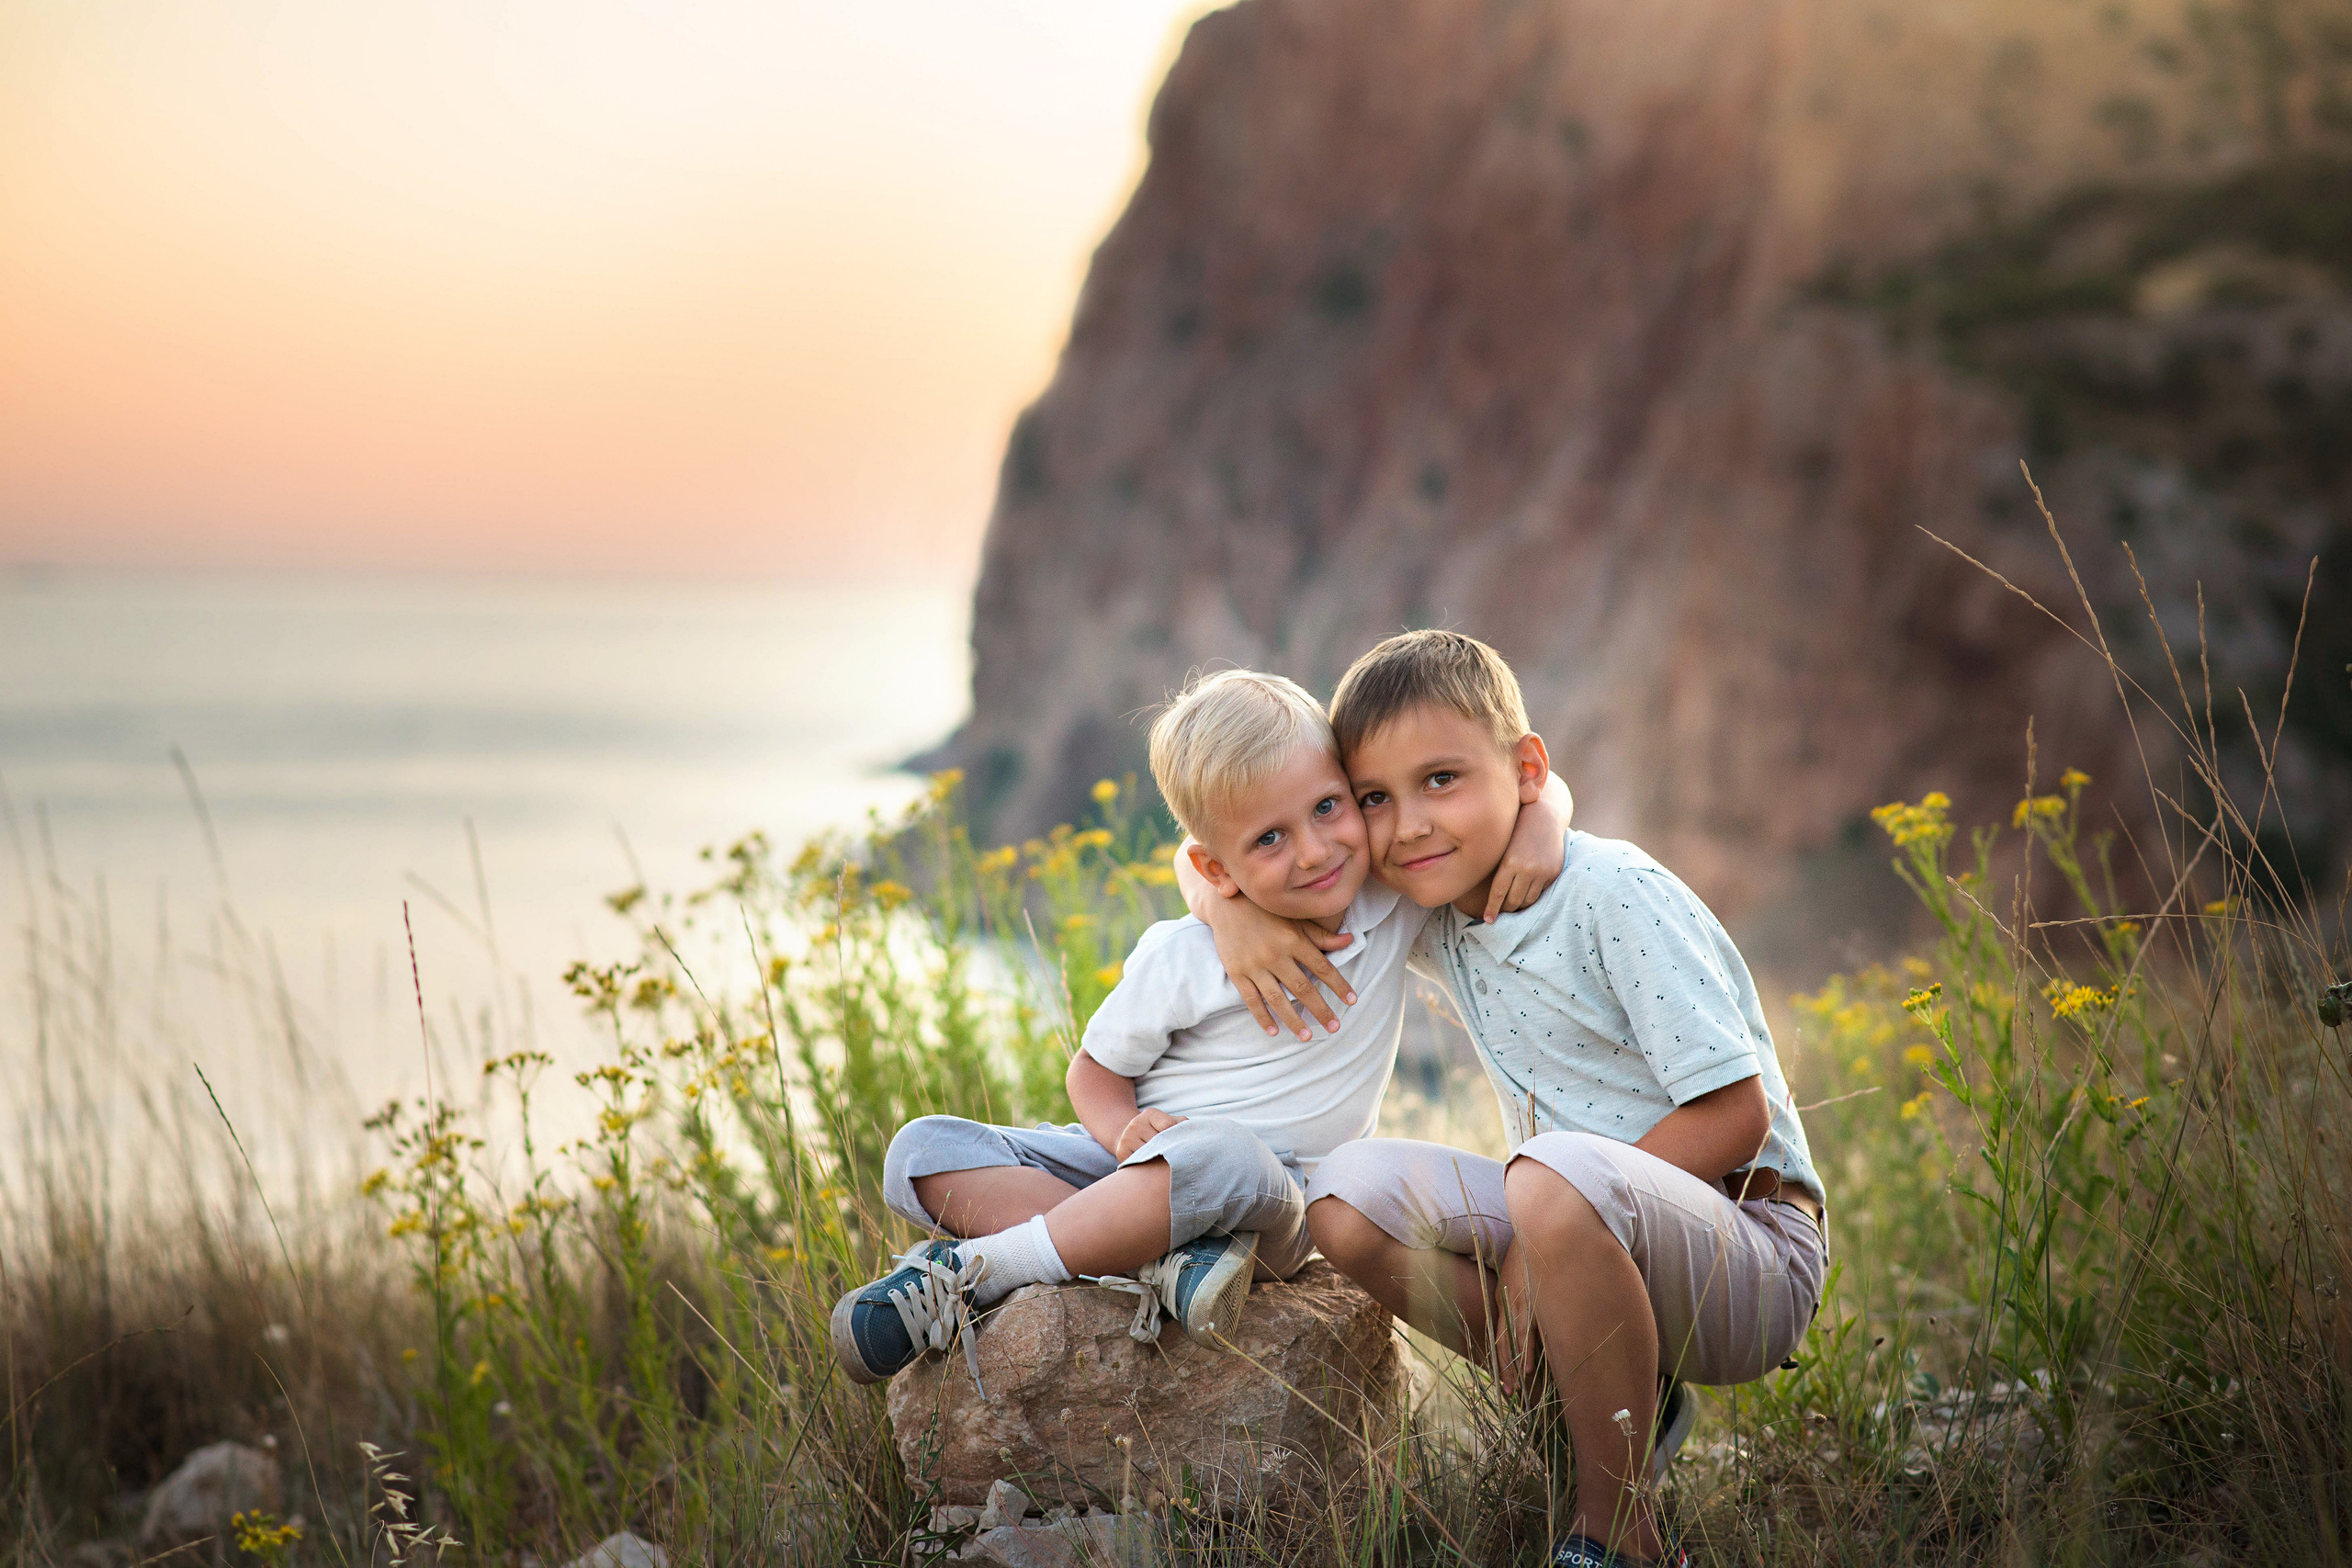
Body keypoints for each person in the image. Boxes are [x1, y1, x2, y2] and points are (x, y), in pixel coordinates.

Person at [1187, 631, 1827, 1568]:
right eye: (1373, 798)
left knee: (1550, 1178)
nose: (1406, 825)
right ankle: (1609, 1406)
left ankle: (1618, 1537)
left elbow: (1739, 1118)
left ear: (1524, 769)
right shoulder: (1437, 909)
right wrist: (1226, 911)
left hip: (1748, 1253)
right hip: (1571, 1214)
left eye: (1440, 779)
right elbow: (1218, 845)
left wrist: (1543, 1224)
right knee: (1341, 1196)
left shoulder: (1614, 893)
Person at [829, 667, 1574, 1393]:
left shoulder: (1390, 898)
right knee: (920, 1150)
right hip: (1135, 1166)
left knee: (1216, 1152)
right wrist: (1123, 1133)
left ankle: (976, 1272)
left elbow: (1523, 782)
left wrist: (1546, 820)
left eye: (1326, 807)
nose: (1314, 850)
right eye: (1269, 840)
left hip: (1274, 1195)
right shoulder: (1183, 954)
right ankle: (1156, 1257)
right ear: (1218, 869)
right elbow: (1093, 1073)